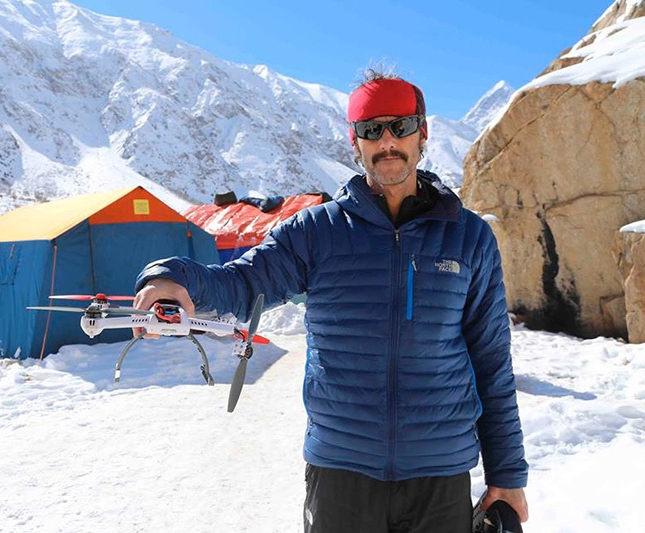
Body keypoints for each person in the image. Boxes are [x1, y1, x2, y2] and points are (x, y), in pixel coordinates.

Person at [133, 70, 528, 533]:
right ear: (354, 142)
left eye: (399, 126)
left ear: (422, 133)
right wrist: (171, 278)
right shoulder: (317, 231)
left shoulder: (468, 237)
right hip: (342, 472)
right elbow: (242, 283)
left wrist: (507, 475)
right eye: (370, 129)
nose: (386, 141)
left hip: (439, 475)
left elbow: (492, 363)